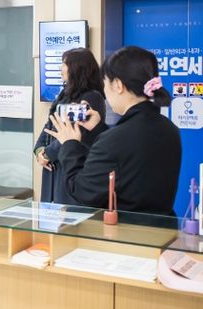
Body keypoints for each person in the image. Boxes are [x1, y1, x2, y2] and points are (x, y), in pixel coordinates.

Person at [47, 46, 181, 215]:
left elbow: (82, 191)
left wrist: (70, 144)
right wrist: (98, 129)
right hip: (162, 226)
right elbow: (126, 160)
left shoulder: (116, 139)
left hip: (125, 228)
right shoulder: (169, 128)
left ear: (117, 85)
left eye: (105, 83)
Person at [33, 48, 106, 204]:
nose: (61, 67)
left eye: (64, 64)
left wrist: (47, 154)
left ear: (76, 68)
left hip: (71, 165)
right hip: (54, 166)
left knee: (69, 214)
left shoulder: (92, 97)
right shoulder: (65, 94)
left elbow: (73, 132)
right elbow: (50, 124)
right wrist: (39, 150)